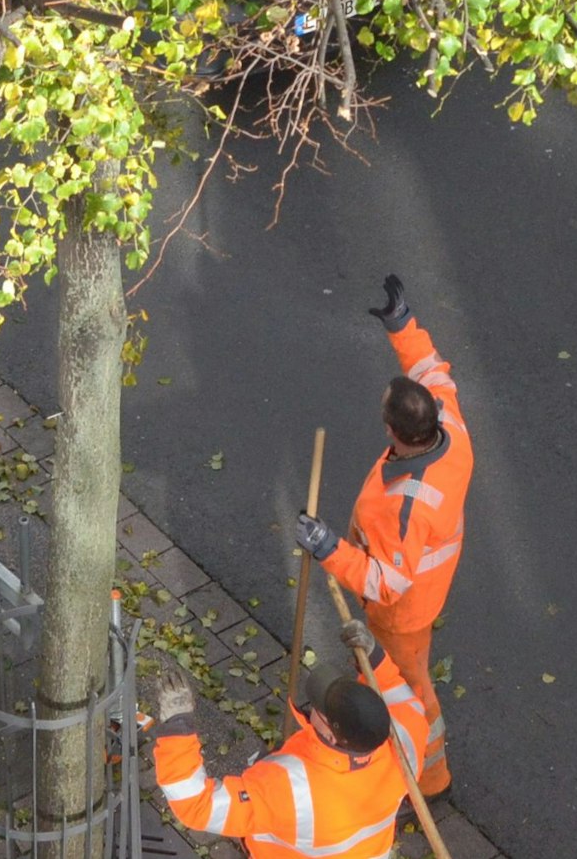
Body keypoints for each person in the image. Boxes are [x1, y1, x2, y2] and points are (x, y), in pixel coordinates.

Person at [294, 274, 468, 801]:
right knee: (390, 678)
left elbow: (385, 581)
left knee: (407, 690)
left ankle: (428, 780)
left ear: (395, 431)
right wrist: (403, 324)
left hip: (403, 611)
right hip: (427, 587)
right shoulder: (448, 425)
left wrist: (328, 549)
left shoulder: (407, 507)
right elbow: (430, 369)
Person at [151, 647, 420, 858]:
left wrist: (178, 726)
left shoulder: (290, 788)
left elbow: (197, 805)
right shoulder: (406, 741)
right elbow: (401, 697)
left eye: (320, 708)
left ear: (330, 734)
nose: (313, 705)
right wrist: (373, 658)